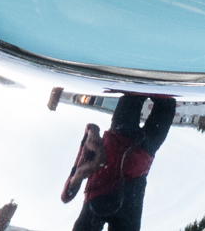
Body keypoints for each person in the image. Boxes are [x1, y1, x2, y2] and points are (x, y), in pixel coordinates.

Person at [68, 94, 176, 231]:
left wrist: (90, 134)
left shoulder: (82, 198)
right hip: (143, 155)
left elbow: (67, 193)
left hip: (121, 139)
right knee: (166, 103)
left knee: (135, 90)